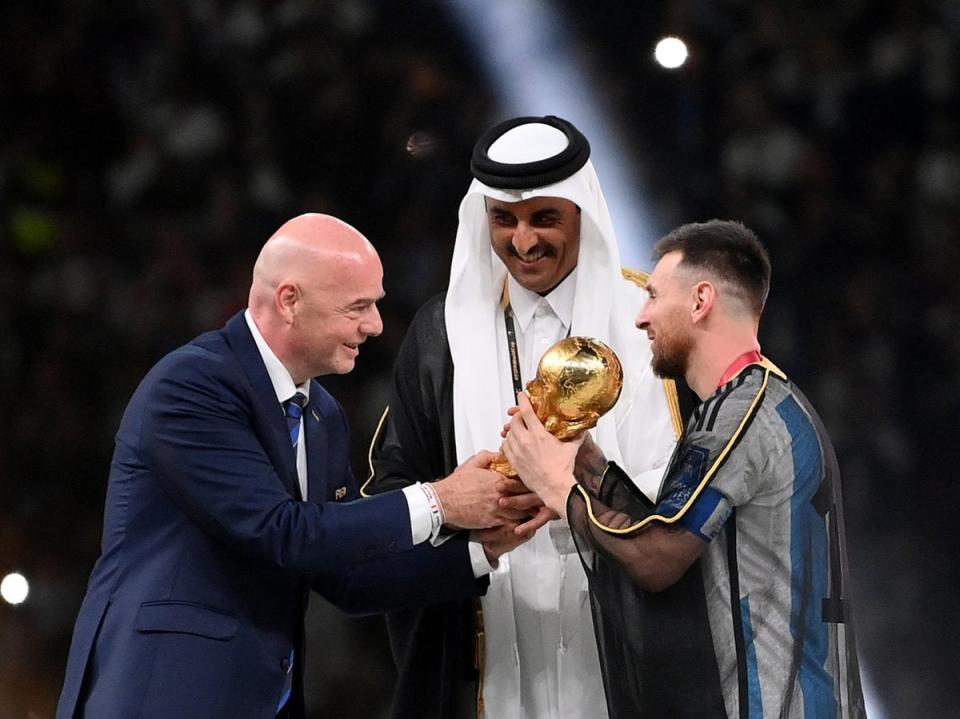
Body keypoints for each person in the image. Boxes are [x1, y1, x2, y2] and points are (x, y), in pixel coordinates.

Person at [55, 213, 522, 719]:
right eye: (358, 307)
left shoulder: (322, 414)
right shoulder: (192, 385)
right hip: (162, 694)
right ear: (290, 301)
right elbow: (280, 531)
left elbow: (343, 576)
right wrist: (441, 501)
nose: (376, 325)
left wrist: (481, 550)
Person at [362, 115, 687, 719]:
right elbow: (390, 497)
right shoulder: (441, 337)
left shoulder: (655, 324)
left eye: (544, 218)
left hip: (630, 647)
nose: (523, 240)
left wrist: (584, 483)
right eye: (503, 219)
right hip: (494, 638)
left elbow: (704, 499)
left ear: (582, 214)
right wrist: (454, 504)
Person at [502, 220, 866, 718]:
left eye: (652, 296)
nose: (641, 317)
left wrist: (558, 487)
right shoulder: (751, 404)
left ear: (700, 301)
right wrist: (591, 469)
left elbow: (658, 558)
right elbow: (675, 531)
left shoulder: (743, 416)